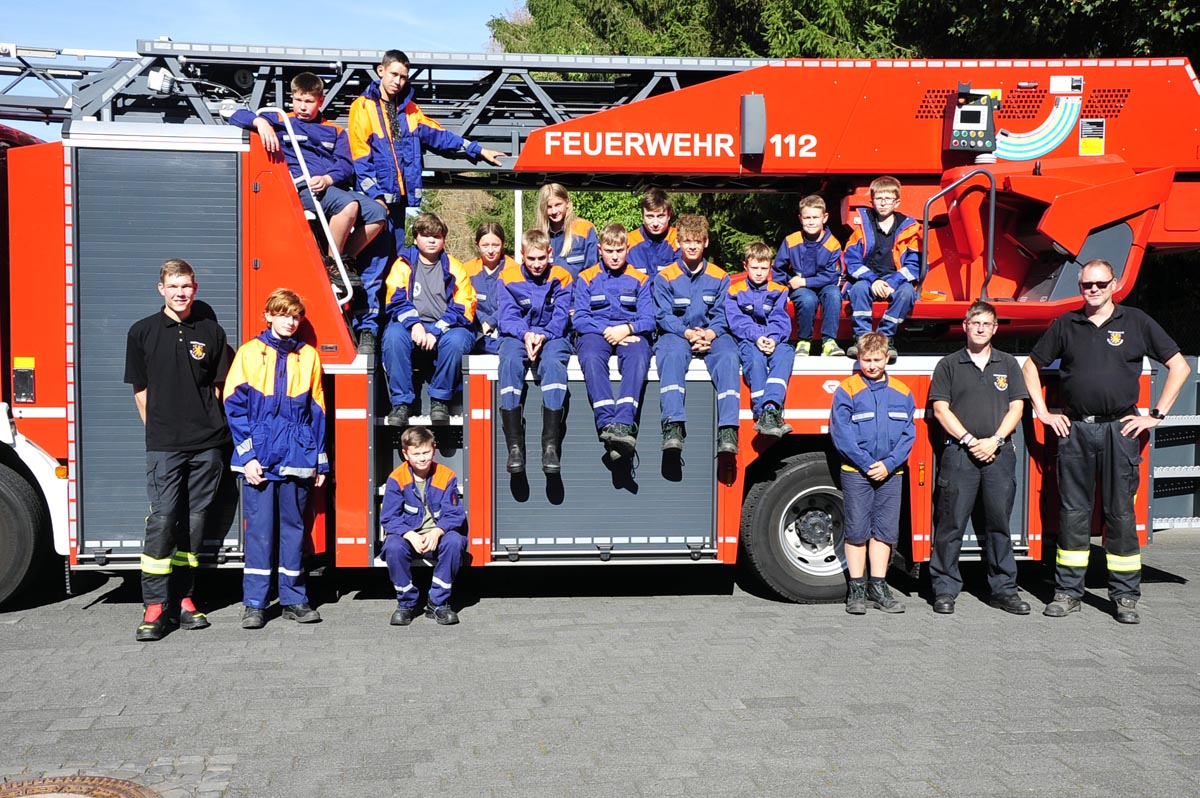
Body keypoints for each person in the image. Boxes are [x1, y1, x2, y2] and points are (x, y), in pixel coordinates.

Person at [1022, 258, 1191, 624]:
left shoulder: (1136, 322)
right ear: (1080, 288)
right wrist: (1043, 412)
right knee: (1073, 514)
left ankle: (1125, 597)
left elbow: (1179, 366)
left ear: (1114, 284)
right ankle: (1068, 592)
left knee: (1120, 515)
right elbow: (1031, 366)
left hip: (1120, 430)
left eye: (1100, 283)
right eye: (1086, 285)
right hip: (1077, 431)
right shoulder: (1067, 323)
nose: (1093, 290)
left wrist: (1156, 415)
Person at [348, 49, 505, 354]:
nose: (398, 81)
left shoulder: (410, 111)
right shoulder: (362, 107)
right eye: (394, 74)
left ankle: (387, 328)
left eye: (404, 76)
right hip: (380, 206)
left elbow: (440, 136)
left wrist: (477, 149)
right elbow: (359, 156)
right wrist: (376, 198)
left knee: (395, 268)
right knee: (375, 267)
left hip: (400, 205)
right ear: (381, 71)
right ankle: (367, 329)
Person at [123, 258, 231, 642]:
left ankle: (184, 599)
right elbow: (140, 391)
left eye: (186, 286)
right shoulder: (142, 332)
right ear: (161, 289)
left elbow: (219, 387)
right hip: (165, 446)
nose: (180, 293)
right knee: (164, 520)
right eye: (174, 287)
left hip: (207, 446)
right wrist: (158, 433)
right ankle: (155, 606)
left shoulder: (211, 332)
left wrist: (209, 426)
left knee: (196, 525)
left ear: (195, 289)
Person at [222, 289, 329, 629]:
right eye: (283, 314)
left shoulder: (309, 356)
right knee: (260, 534)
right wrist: (248, 456)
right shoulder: (250, 353)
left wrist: (320, 461)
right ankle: (254, 604)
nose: (290, 321)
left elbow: (317, 411)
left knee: (295, 531)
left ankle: (294, 599)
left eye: (295, 316)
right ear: (268, 315)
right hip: (260, 459)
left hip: (297, 455)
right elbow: (233, 406)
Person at [229, 72, 385, 282]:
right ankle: (333, 266)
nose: (303, 106)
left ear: (320, 101)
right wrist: (259, 122)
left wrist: (328, 179)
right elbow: (235, 116)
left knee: (378, 212)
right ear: (292, 98)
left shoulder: (335, 131)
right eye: (298, 100)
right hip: (301, 189)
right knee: (349, 206)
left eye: (309, 101)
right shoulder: (280, 120)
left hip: (329, 188)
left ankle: (343, 259)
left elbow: (346, 165)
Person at [928, 301, 1030, 615]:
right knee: (951, 523)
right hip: (959, 454)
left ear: (995, 328)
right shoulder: (948, 364)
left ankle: (1003, 590)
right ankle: (944, 590)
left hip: (998, 455)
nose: (981, 328)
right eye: (975, 323)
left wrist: (995, 440)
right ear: (965, 326)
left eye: (987, 323)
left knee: (998, 524)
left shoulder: (1009, 364)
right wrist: (971, 440)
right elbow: (940, 409)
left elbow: (1018, 408)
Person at [830, 331, 916, 614]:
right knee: (856, 531)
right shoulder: (848, 389)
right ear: (859, 358)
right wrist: (867, 464)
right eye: (866, 359)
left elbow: (908, 434)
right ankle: (856, 589)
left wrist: (889, 465)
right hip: (856, 472)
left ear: (887, 357)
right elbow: (841, 435)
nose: (872, 365)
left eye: (877, 359)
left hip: (891, 474)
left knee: (884, 532)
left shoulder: (903, 392)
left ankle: (878, 587)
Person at [653, 214, 740, 455]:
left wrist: (711, 334)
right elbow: (663, 315)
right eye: (687, 241)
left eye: (698, 241)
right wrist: (688, 333)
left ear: (706, 243)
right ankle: (673, 426)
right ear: (678, 243)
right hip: (677, 333)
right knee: (670, 354)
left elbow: (725, 314)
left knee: (729, 356)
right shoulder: (665, 277)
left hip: (714, 333)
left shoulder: (721, 277)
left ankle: (728, 430)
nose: (692, 246)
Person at [381, 212, 477, 427]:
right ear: (416, 238)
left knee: (458, 340)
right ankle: (401, 403)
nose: (432, 240)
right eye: (426, 235)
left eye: (437, 236)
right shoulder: (403, 264)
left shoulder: (455, 266)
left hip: (445, 327)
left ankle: (440, 400)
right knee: (393, 336)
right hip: (411, 325)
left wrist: (436, 330)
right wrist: (415, 324)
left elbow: (465, 306)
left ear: (444, 239)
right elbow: (395, 299)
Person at [572, 223, 654, 457]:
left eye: (620, 250)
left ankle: (623, 423)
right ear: (600, 250)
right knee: (588, 354)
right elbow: (579, 319)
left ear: (628, 249)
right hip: (597, 334)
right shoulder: (586, 278)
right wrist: (609, 330)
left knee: (639, 355)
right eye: (609, 251)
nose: (615, 256)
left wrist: (627, 329)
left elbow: (649, 320)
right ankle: (607, 423)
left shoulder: (640, 279)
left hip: (631, 334)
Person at [497, 229, 575, 473]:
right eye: (531, 259)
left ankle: (550, 446)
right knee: (509, 360)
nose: (537, 264)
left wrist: (543, 335)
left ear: (549, 253)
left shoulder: (562, 276)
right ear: (522, 255)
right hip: (518, 336)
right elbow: (507, 317)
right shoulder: (507, 277)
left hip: (553, 336)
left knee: (553, 364)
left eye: (541, 258)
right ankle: (515, 447)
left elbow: (562, 317)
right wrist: (526, 334)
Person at [380, 426, 468, 625]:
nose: (422, 458)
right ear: (405, 454)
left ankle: (438, 602)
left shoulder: (446, 475)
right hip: (409, 538)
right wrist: (409, 534)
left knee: (454, 541)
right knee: (393, 546)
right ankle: (406, 603)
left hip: (437, 537)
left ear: (434, 450)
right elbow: (389, 517)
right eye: (416, 453)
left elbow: (454, 514)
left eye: (426, 452)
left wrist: (438, 531)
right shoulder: (397, 478)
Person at [843, 176, 922, 362]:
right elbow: (852, 260)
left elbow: (914, 265)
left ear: (897, 202)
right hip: (868, 280)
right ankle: (862, 339)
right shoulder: (861, 229)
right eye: (879, 198)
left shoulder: (910, 229)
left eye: (888, 199)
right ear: (872, 201)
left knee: (907, 293)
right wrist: (874, 280)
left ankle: (885, 338)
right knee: (858, 289)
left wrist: (892, 281)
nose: (883, 203)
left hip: (896, 281)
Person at [725, 241, 795, 438]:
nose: (758, 272)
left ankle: (772, 408)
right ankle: (760, 412)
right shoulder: (734, 291)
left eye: (764, 268)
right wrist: (757, 337)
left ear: (770, 267)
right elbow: (736, 321)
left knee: (785, 355)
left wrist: (772, 338)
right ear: (745, 266)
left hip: (775, 339)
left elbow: (781, 319)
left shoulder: (779, 290)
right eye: (754, 267)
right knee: (754, 360)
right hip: (748, 340)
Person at [773, 194, 845, 357]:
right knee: (808, 300)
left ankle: (829, 342)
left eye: (815, 217)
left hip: (822, 285)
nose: (811, 222)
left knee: (834, 295)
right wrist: (785, 289)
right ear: (800, 218)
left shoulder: (832, 244)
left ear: (824, 218)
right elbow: (779, 270)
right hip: (800, 288)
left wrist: (804, 281)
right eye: (807, 218)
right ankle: (803, 341)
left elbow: (832, 276)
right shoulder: (791, 241)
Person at [465, 221, 519, 355]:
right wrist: (482, 323)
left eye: (495, 245)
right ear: (477, 245)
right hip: (476, 330)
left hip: (506, 330)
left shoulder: (515, 270)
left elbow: (514, 304)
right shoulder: (466, 270)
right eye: (485, 245)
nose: (490, 251)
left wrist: (490, 323)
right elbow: (464, 302)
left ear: (503, 244)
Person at [536, 183, 599, 278]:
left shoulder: (585, 229)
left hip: (577, 292)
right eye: (549, 207)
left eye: (558, 205)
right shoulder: (537, 235)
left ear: (567, 202)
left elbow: (592, 271)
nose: (554, 211)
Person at [626, 187, 678, 279]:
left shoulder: (679, 240)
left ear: (669, 215)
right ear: (642, 215)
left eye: (660, 216)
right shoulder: (629, 241)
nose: (655, 223)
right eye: (650, 217)